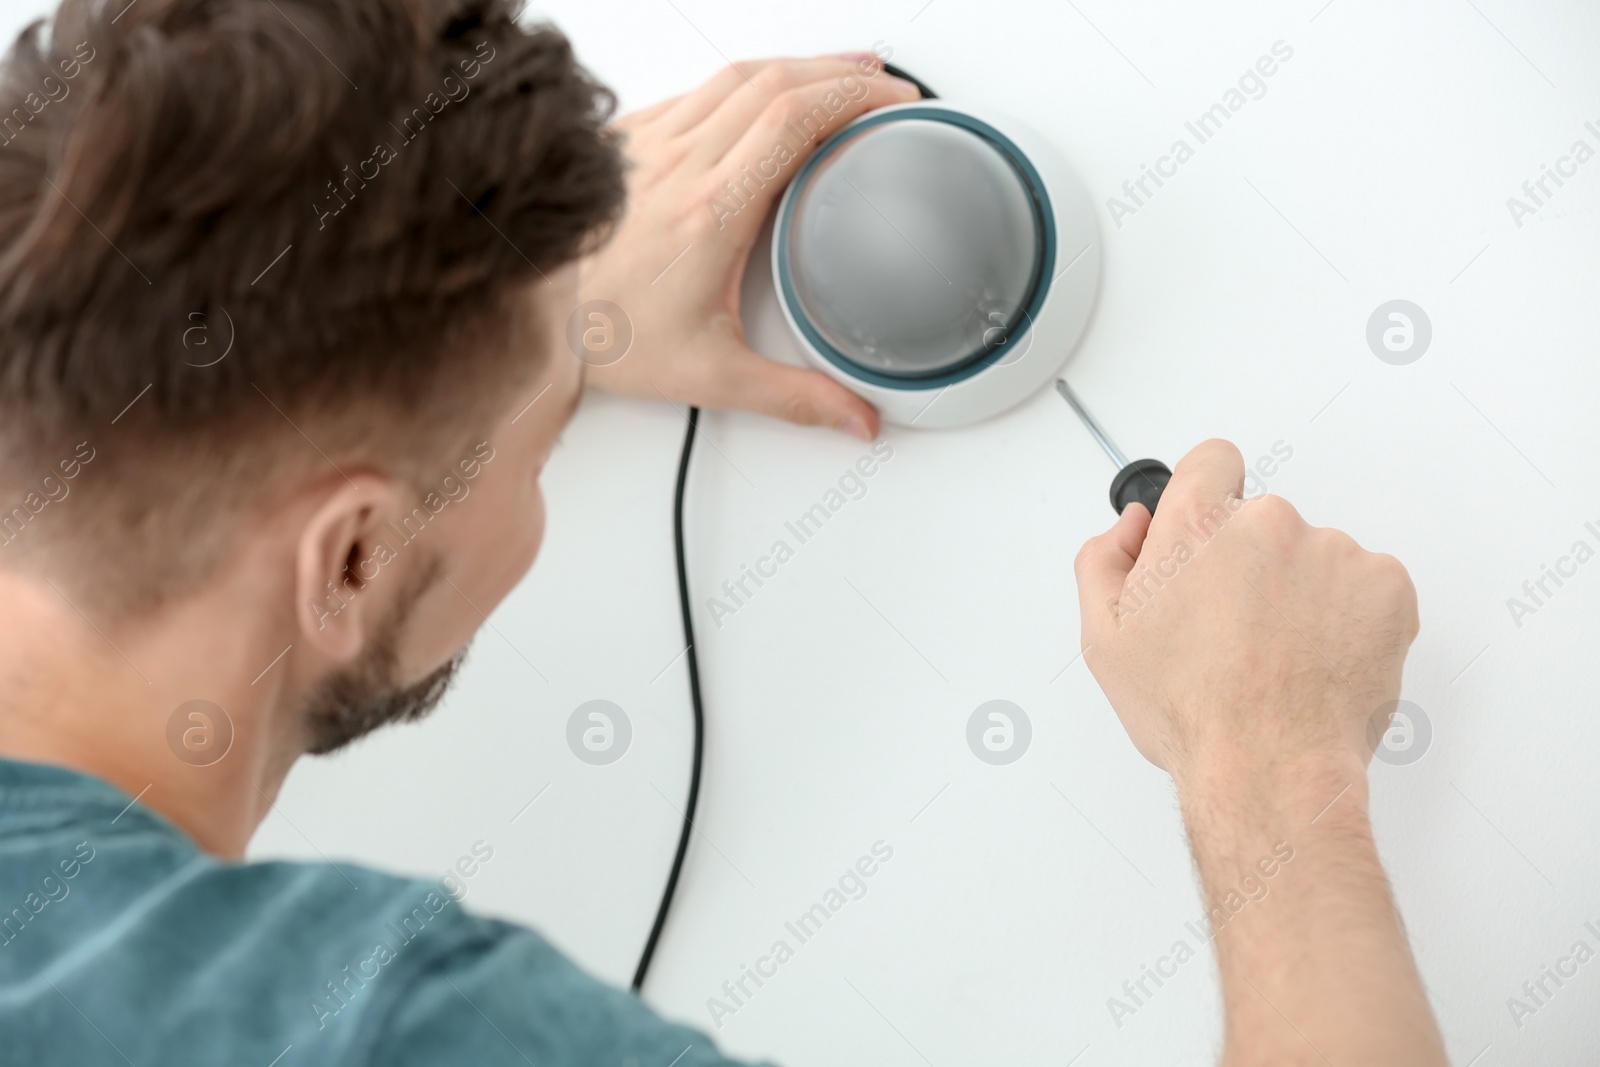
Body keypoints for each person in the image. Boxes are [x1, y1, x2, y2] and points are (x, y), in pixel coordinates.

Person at [0, 0, 1448, 1064]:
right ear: (355, 557)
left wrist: (486, 341)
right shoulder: (400, 1033)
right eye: (542, 448)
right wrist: (1277, 772)